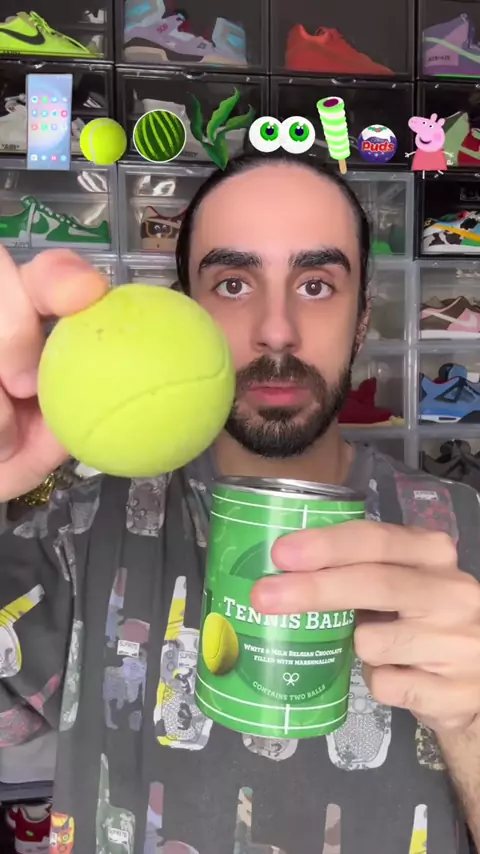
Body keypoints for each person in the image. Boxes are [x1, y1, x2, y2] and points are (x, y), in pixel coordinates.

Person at [0, 152, 479, 854]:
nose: (276, 330)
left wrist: (472, 727)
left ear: (362, 317)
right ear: (185, 312)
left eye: (316, 285)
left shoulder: (463, 534)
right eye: (232, 283)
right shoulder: (77, 533)